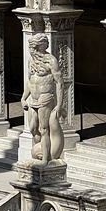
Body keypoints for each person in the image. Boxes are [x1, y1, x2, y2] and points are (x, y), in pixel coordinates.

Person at [22, 33, 65, 164]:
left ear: (41, 46)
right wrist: (23, 98)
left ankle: (45, 159)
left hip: (45, 98)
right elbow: (30, 81)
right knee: (33, 128)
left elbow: (59, 82)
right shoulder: (31, 61)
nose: (31, 50)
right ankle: (40, 150)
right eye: (30, 48)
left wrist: (59, 105)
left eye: (33, 47)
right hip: (33, 100)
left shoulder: (51, 60)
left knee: (44, 129)